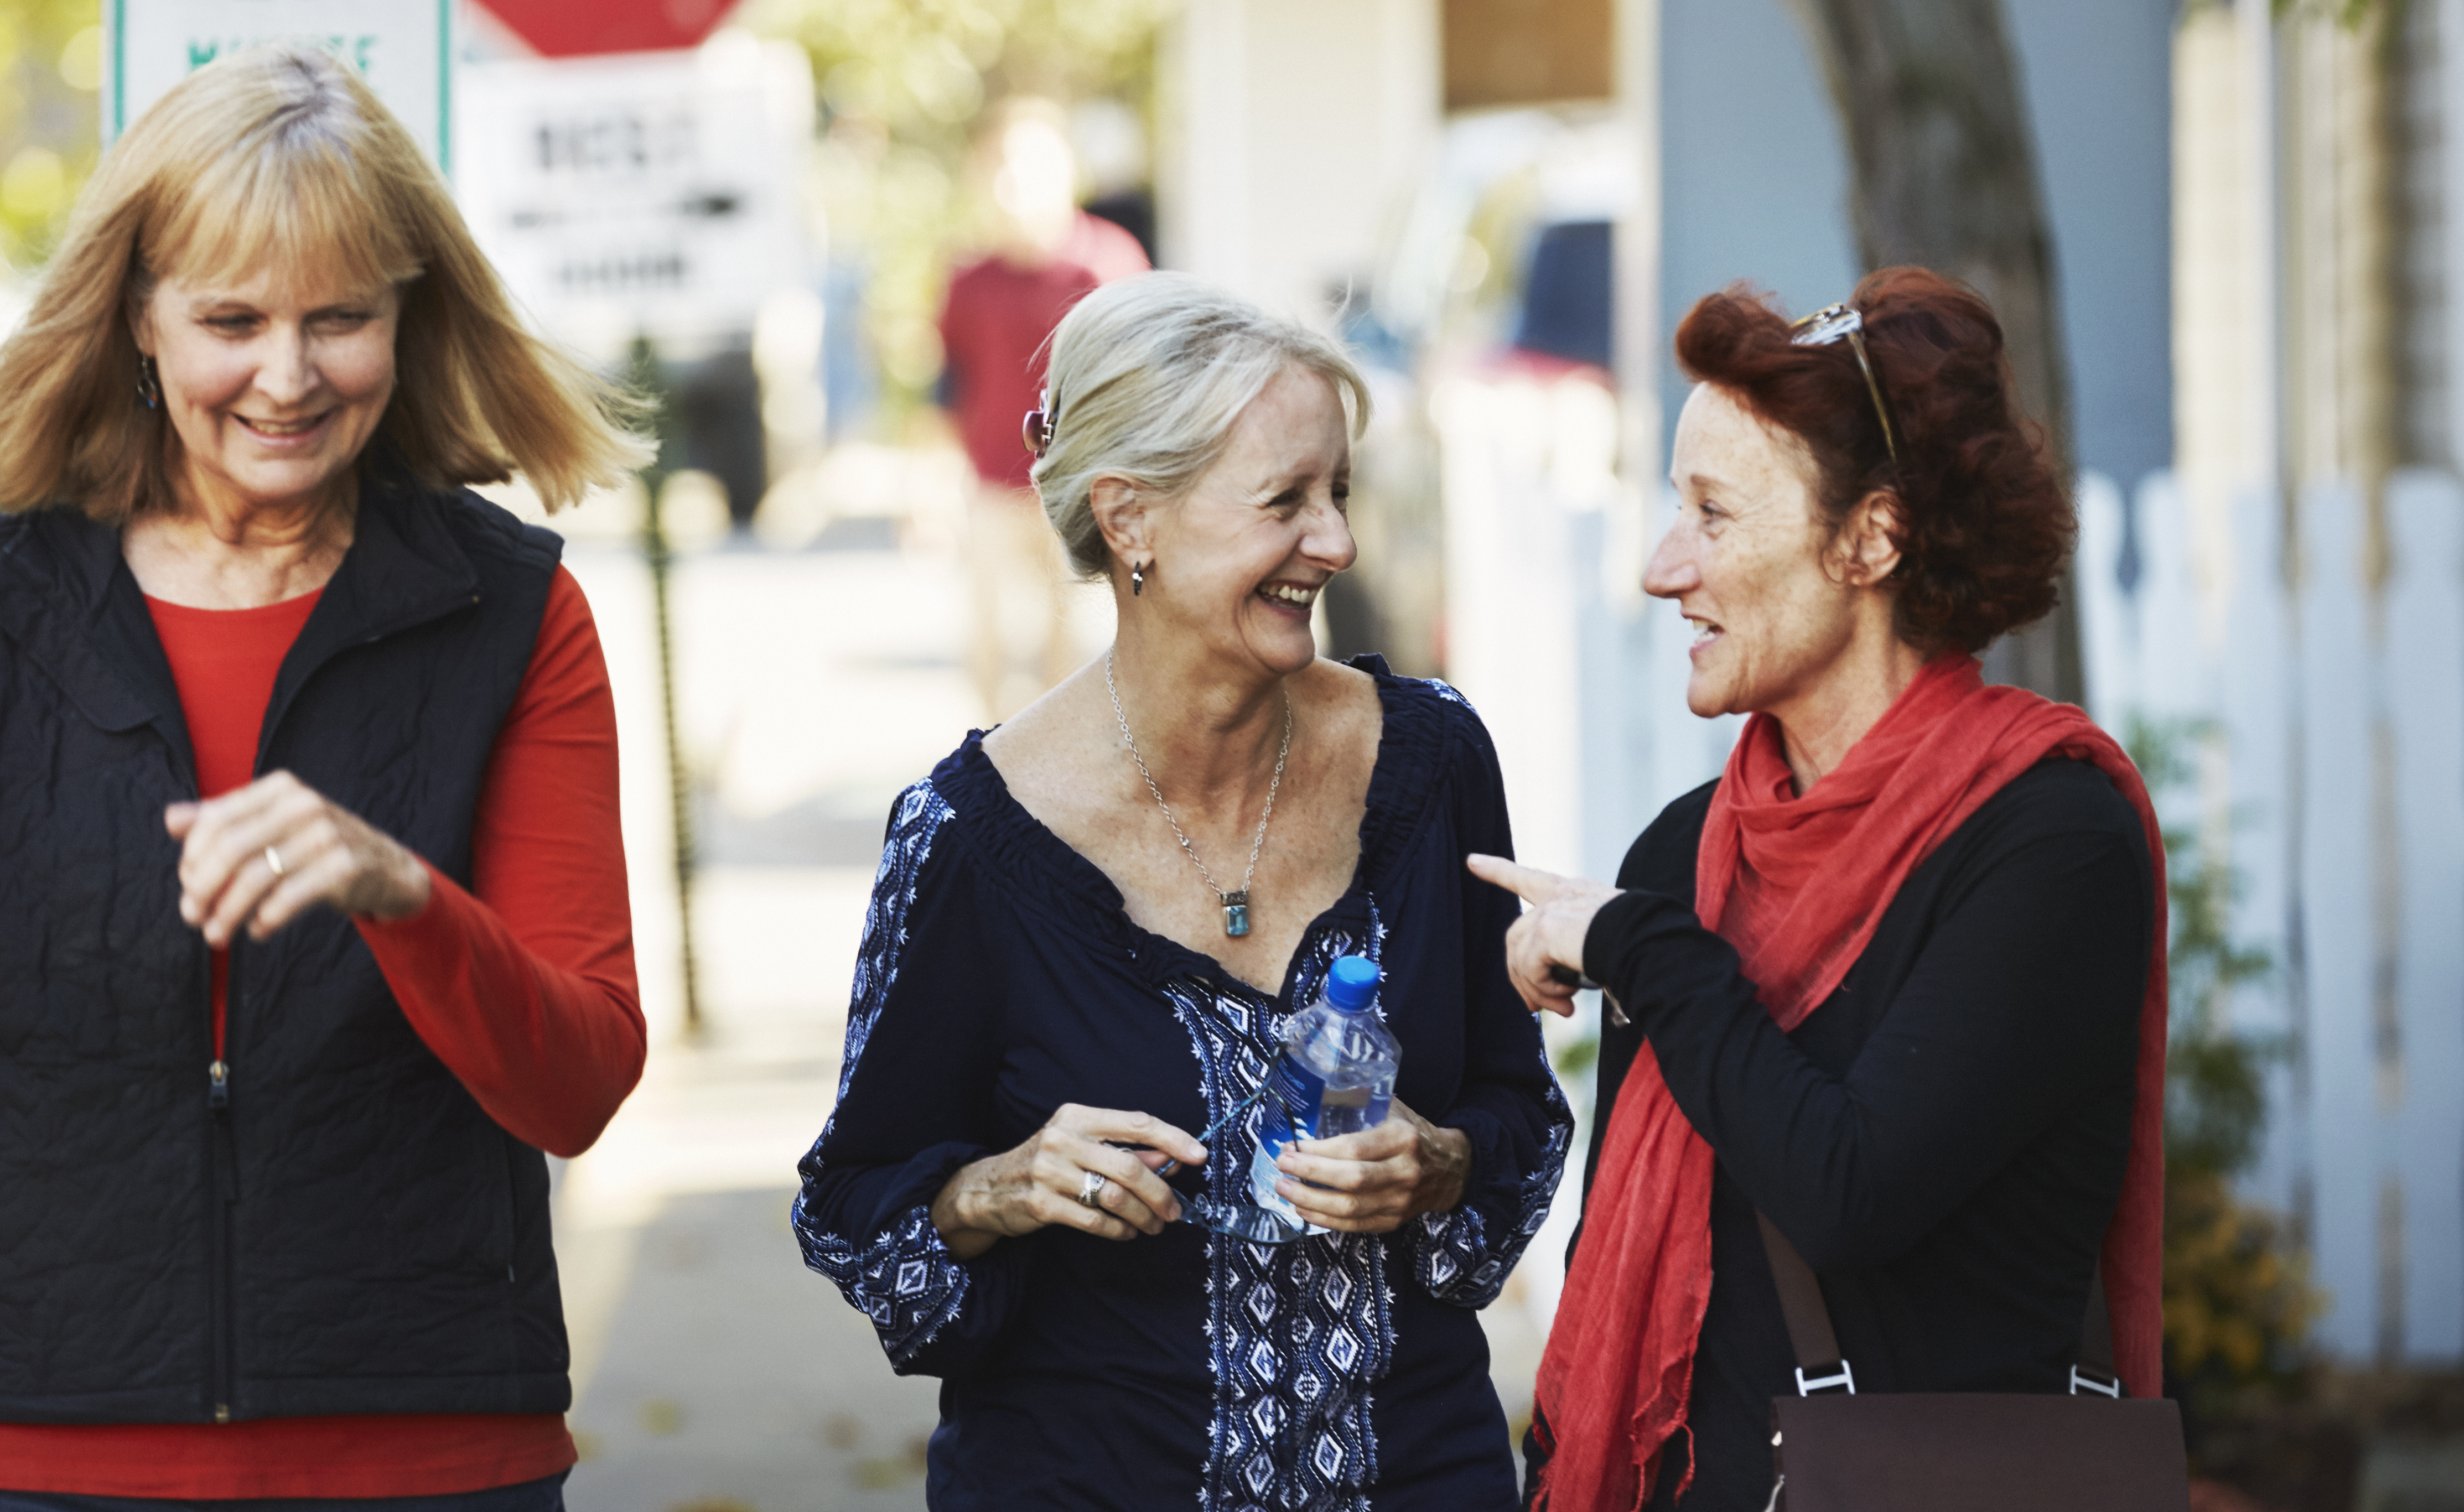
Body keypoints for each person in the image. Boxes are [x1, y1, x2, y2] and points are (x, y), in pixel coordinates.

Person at [0, 45, 651, 1510]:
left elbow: (579, 1083)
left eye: (340, 318)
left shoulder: (515, 617)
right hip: (1, 1445)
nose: (287, 377)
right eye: (231, 319)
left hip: (416, 1450)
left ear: (408, 316)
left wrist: (403, 897)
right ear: (136, 320)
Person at [798, 272, 1573, 1509]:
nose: (1336, 542)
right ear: (1131, 519)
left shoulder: (1431, 763)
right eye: (1285, 501)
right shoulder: (968, 837)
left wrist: (1438, 1160)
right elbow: (852, 1201)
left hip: (1423, 1472)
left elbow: (1518, 1110)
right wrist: (999, 1186)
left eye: (1341, 492)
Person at [1475, 269, 2168, 1511]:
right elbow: (1604, 1261)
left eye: (1715, 514)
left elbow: (1852, 1189)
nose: (1660, 565)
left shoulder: (2051, 842)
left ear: (1873, 537)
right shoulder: (1685, 852)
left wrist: (1641, 946)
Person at [936, 98, 1150, 720]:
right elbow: (948, 384)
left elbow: (1140, 386)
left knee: (1078, 647)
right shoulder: (969, 279)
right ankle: (990, 789)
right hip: (993, 491)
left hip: (1082, 491)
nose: (1011, 184)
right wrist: (932, 492)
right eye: (998, 166)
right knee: (986, 641)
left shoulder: (1108, 263)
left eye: (1026, 165)